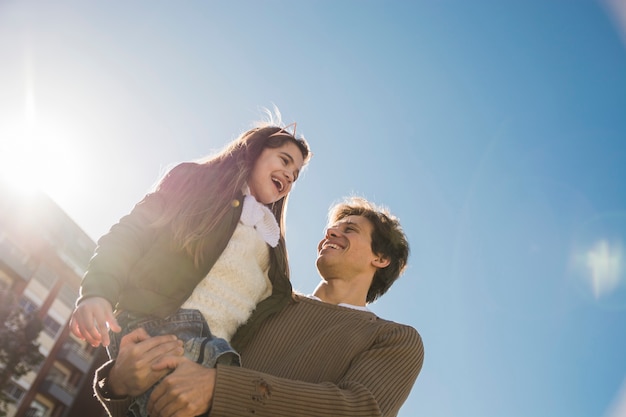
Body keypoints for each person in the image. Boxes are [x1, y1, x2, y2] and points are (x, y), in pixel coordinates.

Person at [70, 111, 311, 417]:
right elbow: (129, 234)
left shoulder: (271, 244)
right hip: (160, 326)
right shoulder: (195, 182)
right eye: (284, 160)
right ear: (254, 151)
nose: (290, 175)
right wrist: (97, 291)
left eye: (296, 174)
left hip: (216, 354)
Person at [93, 196, 425, 417]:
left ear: (380, 258)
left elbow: (359, 410)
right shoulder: (262, 304)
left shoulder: (394, 339)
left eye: (349, 229)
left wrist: (221, 388)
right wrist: (120, 385)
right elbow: (173, 390)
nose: (330, 232)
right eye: (332, 227)